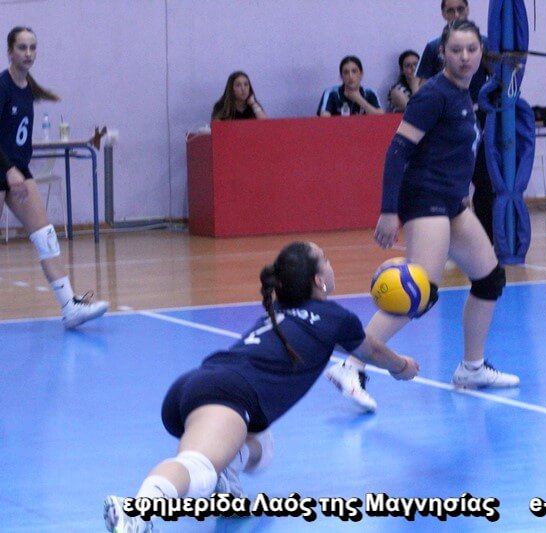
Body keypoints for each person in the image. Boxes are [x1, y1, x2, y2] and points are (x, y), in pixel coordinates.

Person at [103, 241, 419, 532]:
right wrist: (402, 366)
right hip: (226, 395)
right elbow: (372, 350)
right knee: (198, 468)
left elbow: (352, 345)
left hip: (202, 386)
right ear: (318, 280)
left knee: (262, 448)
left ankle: (226, 476)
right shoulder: (335, 318)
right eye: (326, 259)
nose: (330, 263)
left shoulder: (281, 308)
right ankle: (136, 512)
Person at [325, 20, 519, 414]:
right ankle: (351, 366)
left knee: (489, 278)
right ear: (442, 53)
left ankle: (472, 368)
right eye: (456, 50)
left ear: (480, 52)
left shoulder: (465, 94)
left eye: (471, 49)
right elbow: (398, 151)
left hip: (452, 203)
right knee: (420, 291)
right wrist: (389, 210)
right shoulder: (433, 95)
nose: (464, 57)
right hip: (425, 199)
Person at [0, 26, 107, 329]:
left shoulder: (27, 89)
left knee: (46, 237)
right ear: (10, 52)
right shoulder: (2, 86)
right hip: (4, 169)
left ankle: (69, 306)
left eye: (32, 47)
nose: (28, 53)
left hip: (18, 171)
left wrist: (17, 170)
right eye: (22, 47)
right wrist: (7, 169)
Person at [415, 0, 495, 244]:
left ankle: (486, 240)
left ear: (468, 10)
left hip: (479, 121)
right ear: (443, 14)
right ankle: (443, 239)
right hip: (448, 124)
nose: (456, 14)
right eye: (451, 10)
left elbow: (499, 81)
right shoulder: (433, 48)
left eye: (461, 8)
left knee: (485, 181)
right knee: (448, 184)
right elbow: (421, 88)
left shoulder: (484, 45)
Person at [317, 56, 383, 116]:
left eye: (354, 71)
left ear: (361, 74)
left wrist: (359, 100)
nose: (350, 76)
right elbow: (324, 119)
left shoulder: (370, 93)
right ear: (341, 76)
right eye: (346, 72)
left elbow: (381, 117)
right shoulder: (331, 93)